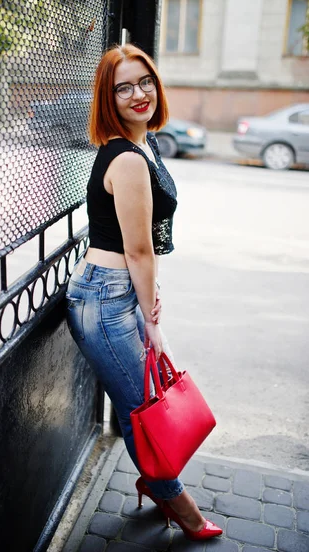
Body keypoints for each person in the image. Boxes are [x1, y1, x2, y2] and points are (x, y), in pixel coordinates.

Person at [66, 44, 222, 541]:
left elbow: (142, 251)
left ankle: (159, 487)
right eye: (124, 87)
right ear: (107, 98)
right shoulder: (128, 159)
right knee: (144, 416)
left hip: (118, 294)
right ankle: (183, 508)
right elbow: (138, 250)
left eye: (146, 81)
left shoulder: (143, 143)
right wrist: (152, 320)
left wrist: (147, 301)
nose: (140, 94)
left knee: (146, 402)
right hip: (106, 300)